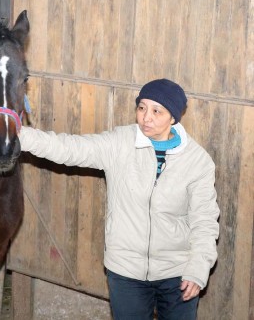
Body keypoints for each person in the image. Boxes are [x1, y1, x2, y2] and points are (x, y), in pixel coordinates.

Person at [18, 78, 219, 319]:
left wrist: (197, 269)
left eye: (157, 111)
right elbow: (70, 148)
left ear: (173, 117)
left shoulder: (197, 161)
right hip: (126, 270)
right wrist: (18, 134)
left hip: (177, 271)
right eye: (142, 107)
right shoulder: (119, 143)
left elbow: (204, 222)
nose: (146, 117)